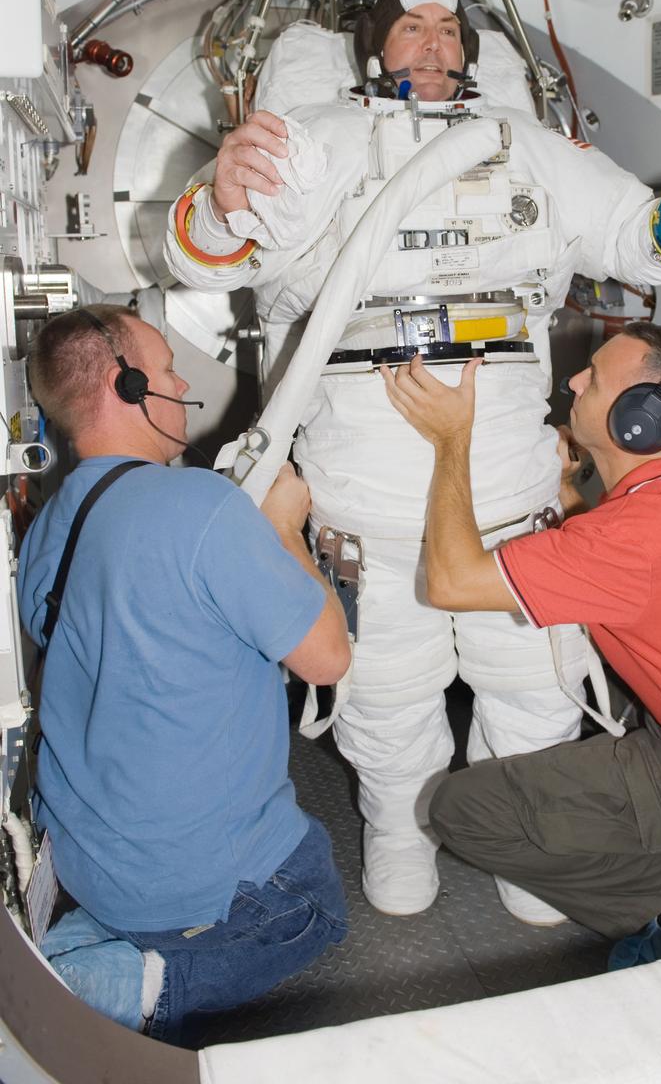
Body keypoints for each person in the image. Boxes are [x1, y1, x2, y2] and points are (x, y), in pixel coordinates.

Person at [164, 0, 661, 923]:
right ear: (375, 51)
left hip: (509, 488)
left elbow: (631, 234)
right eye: (412, 28)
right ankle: (401, 832)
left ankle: (524, 839)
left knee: (533, 689)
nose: (434, 42)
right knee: (387, 695)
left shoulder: (531, 150)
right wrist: (222, 195)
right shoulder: (319, 144)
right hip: (368, 488)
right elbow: (210, 251)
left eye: (448, 29)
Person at [380, 321, 661, 963]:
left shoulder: (632, 541)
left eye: (594, 377)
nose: (573, 381)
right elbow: (625, 557)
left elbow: (450, 582)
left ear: (639, 420)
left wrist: (452, 440)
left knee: (462, 810)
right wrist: (564, 492)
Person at [19, 304, 351, 1045]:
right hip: (184, 880)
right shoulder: (203, 507)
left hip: (88, 863)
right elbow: (327, 657)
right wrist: (283, 531)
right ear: (127, 383)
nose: (178, 384)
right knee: (315, 901)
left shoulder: (49, 523)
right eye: (166, 369)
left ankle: (84, 943)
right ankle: (132, 983)